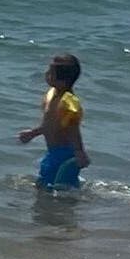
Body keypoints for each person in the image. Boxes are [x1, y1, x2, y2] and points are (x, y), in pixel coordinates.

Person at [17, 53, 89, 190]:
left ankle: (58, 208)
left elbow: (73, 128)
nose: (46, 73)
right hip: (54, 151)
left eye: (50, 72)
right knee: (50, 184)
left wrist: (79, 151)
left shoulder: (68, 102)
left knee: (53, 187)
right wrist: (33, 133)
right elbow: (51, 124)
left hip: (64, 153)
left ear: (62, 80)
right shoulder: (53, 94)